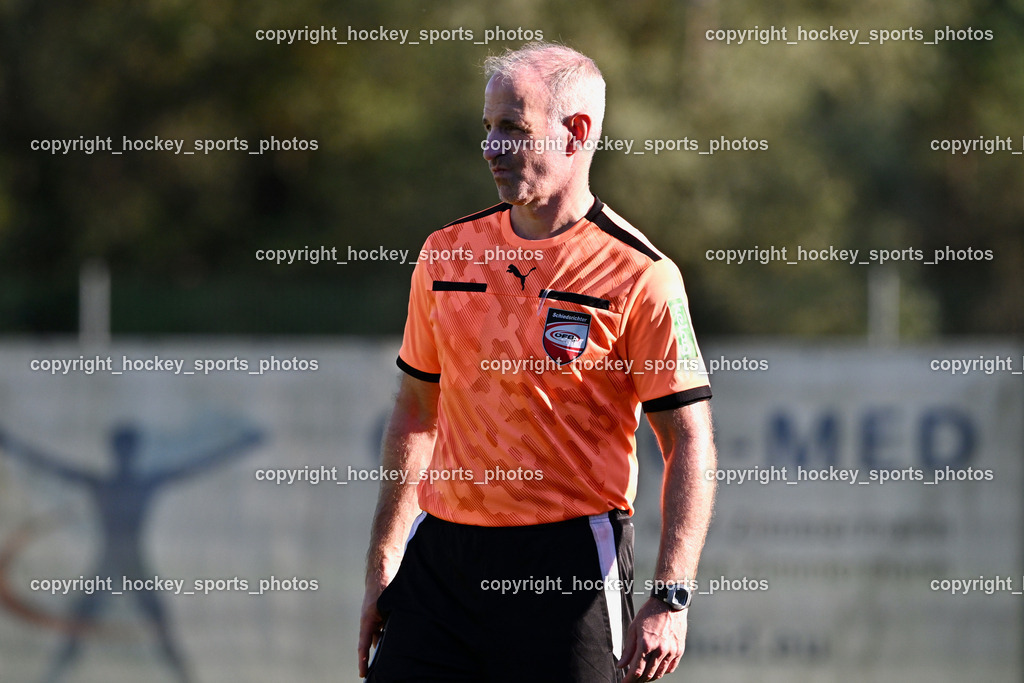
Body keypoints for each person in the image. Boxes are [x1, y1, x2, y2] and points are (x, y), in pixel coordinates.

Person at [358, 42, 716, 683]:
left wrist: (671, 595)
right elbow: (416, 411)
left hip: (567, 563)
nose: (492, 146)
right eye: (488, 127)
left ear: (576, 132)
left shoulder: (640, 274)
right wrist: (385, 555)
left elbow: (688, 441)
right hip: (442, 556)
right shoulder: (446, 254)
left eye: (514, 128)